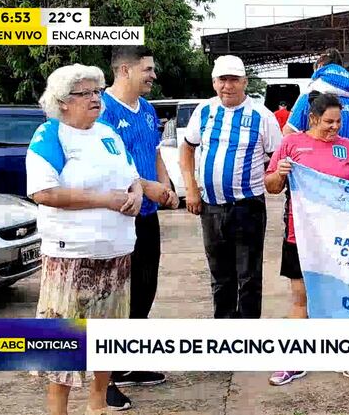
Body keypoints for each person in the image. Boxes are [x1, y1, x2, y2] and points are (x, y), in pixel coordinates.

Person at [27, 64, 142, 415]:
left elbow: (131, 176)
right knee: (62, 343)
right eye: (86, 93)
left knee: (108, 339)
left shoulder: (108, 133)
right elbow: (43, 192)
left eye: (98, 91)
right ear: (62, 102)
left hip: (117, 254)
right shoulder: (50, 135)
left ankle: (97, 406)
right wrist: (104, 200)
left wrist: (136, 193)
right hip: (71, 257)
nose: (96, 98)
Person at [264, 91, 349, 386]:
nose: (335, 127)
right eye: (328, 121)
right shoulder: (291, 144)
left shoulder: (347, 148)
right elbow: (271, 185)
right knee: (301, 299)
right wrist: (280, 173)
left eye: (338, 122)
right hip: (301, 236)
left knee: (342, 297)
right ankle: (294, 360)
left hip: (342, 238)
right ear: (312, 118)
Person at [98, 46, 175, 406]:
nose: (153, 75)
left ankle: (131, 361)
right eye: (148, 69)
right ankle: (105, 378)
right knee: (114, 300)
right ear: (125, 70)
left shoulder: (146, 109)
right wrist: (148, 187)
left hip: (146, 217)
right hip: (116, 220)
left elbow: (156, 151)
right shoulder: (103, 111)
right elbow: (108, 169)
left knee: (144, 291)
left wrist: (166, 186)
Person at [180, 54, 283, 320]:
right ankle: (224, 334)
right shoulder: (205, 111)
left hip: (247, 208)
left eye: (234, 80)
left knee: (248, 276)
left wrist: (274, 180)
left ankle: (248, 336)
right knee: (220, 276)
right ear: (214, 83)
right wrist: (190, 189)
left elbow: (277, 157)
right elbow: (187, 149)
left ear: (245, 82)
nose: (228, 86)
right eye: (222, 80)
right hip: (211, 208)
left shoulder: (262, 115)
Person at [284, 48, 349, 146]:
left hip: (314, 159)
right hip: (346, 159)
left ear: (320, 67)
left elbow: (288, 134)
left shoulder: (308, 98)